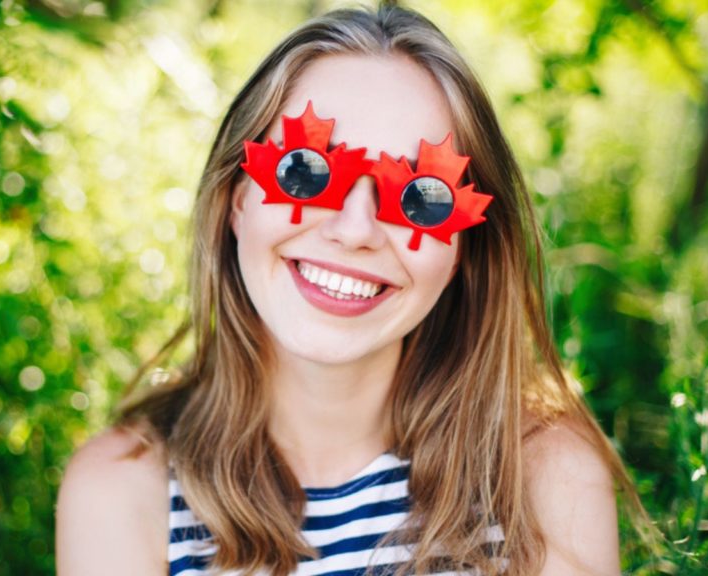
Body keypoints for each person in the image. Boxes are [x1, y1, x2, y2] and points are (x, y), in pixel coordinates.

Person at [57, 5, 645, 575]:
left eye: (422, 198)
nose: (356, 230)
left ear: (465, 249)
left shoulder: (542, 478)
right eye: (306, 172)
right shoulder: (124, 492)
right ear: (238, 200)